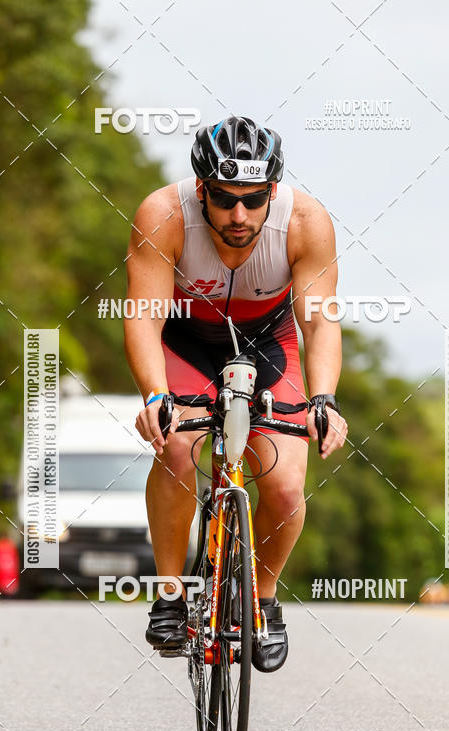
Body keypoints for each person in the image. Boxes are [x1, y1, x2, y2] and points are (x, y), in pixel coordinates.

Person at [125, 115, 347, 672]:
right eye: (224, 199)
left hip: (269, 343)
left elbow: (320, 323)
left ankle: (264, 601)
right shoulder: (163, 215)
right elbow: (144, 316)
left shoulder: (306, 221)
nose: (240, 215)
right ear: (201, 187)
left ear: (273, 189)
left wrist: (323, 401)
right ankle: (171, 596)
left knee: (286, 487)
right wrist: (156, 397)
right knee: (176, 447)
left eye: (254, 199)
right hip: (186, 340)